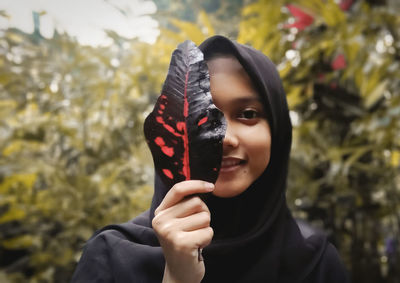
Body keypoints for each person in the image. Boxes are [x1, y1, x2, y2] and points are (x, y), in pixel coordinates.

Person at [71, 35, 348, 283]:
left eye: (248, 114)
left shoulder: (316, 264)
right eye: (204, 116)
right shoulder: (111, 257)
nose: (225, 138)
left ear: (277, 131)